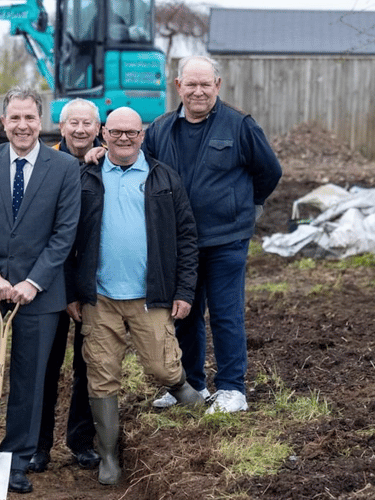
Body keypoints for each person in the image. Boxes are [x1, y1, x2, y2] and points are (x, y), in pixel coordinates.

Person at [0, 87, 81, 494]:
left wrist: (32, 281)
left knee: (30, 374)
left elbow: (65, 233)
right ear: (4, 121)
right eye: (15, 118)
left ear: (40, 121)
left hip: (40, 289)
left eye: (30, 118)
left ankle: (15, 460)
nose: (23, 126)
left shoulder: (63, 167)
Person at [69, 106, 202, 485]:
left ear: (143, 136)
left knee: (162, 367)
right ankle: (109, 456)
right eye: (116, 132)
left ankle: (182, 390)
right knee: (102, 375)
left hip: (150, 295)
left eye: (131, 132)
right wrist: (72, 292)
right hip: (100, 298)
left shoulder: (164, 178)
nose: (124, 138)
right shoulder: (87, 176)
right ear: (103, 135)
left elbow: (187, 238)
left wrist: (184, 290)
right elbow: (66, 238)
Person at [143, 55, 282, 414]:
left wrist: (242, 207)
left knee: (225, 313)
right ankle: (190, 386)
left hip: (226, 240)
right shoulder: (160, 130)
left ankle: (233, 389)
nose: (199, 91)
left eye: (206, 84)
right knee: (186, 315)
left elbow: (270, 171)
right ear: (179, 87)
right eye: (191, 84)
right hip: (180, 244)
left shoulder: (240, 126)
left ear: (218, 85)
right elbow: (138, 167)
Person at [28, 98, 103, 473]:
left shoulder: (108, 164)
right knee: (46, 363)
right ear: (60, 126)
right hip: (51, 282)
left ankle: (81, 441)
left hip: (93, 282)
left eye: (87, 123)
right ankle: (38, 444)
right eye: (73, 122)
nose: (79, 130)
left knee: (88, 365)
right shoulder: (43, 164)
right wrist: (65, 291)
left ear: (98, 127)